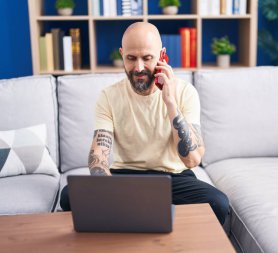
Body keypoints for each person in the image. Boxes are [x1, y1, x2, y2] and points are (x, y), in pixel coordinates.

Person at [60, 22, 229, 226]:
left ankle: (137, 214)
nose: (139, 68)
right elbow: (99, 158)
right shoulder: (108, 96)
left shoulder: (185, 92)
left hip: (173, 178)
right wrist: (103, 190)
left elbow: (192, 160)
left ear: (162, 55)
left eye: (147, 58)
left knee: (218, 203)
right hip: (125, 177)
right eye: (131, 58)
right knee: (69, 196)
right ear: (122, 54)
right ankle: (148, 213)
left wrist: (170, 102)